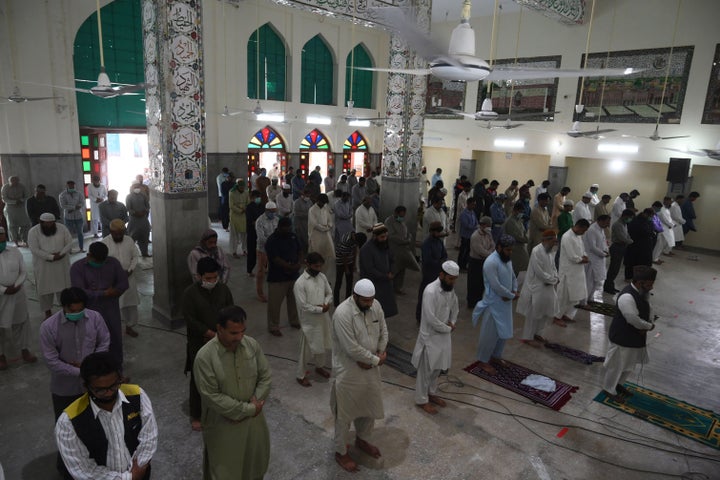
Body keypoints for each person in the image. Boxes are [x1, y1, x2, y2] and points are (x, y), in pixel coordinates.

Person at [39, 286, 110, 477]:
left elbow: (104, 342)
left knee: (95, 425)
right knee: (67, 430)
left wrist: (90, 365)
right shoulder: (49, 327)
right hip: (65, 388)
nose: (77, 314)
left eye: (80, 310)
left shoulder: (95, 318)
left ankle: (95, 462)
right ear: (63, 307)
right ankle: (67, 468)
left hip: (92, 386)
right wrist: (81, 371)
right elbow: (52, 361)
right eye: (73, 311)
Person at [194, 305, 271, 480]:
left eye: (242, 332)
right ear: (219, 329)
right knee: (225, 470)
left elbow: (265, 376)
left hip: (253, 424)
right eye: (233, 333)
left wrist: (255, 404)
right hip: (224, 425)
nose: (240, 337)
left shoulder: (251, 345)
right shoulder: (205, 357)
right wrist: (248, 410)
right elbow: (211, 396)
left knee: (254, 466)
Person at [55, 351, 157, 480]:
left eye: (114, 386)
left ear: (120, 378)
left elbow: (149, 437)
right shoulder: (69, 422)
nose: (109, 393)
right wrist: (129, 478)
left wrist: (140, 466)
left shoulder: (137, 395)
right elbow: (82, 469)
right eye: (100, 390)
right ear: (86, 387)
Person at [331, 279, 388, 472]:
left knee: (368, 407)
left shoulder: (375, 305)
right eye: (365, 301)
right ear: (354, 296)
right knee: (344, 415)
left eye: (371, 300)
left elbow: (383, 330)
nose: (370, 304)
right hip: (349, 372)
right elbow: (350, 347)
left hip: (371, 369)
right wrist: (374, 359)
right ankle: (341, 452)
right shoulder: (342, 313)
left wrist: (380, 352)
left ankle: (362, 440)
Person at [182, 257, 234, 431]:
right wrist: (208, 333)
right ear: (199, 276)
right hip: (199, 342)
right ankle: (196, 414)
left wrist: (222, 334)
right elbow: (190, 319)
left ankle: (222, 407)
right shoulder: (190, 293)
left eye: (214, 277)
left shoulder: (223, 290)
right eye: (208, 278)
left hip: (221, 341)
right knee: (199, 378)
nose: (212, 281)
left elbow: (230, 312)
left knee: (222, 375)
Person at [602, 266, 657, 403]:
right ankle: (609, 389)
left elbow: (649, 307)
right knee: (617, 365)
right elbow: (632, 318)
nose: (651, 288)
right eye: (649, 284)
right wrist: (649, 326)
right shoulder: (627, 296)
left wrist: (649, 322)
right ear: (640, 283)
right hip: (622, 336)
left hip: (635, 336)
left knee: (629, 364)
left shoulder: (642, 292)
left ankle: (619, 384)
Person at [70, 242, 129, 368]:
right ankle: (93, 367)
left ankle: (116, 366)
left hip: (111, 307)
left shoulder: (113, 263)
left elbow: (123, 283)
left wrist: (116, 291)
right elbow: (79, 292)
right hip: (89, 309)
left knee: (114, 337)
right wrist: (103, 293)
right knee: (91, 339)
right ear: (88, 255)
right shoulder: (77, 267)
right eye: (97, 261)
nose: (99, 264)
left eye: (103, 261)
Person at [412, 261, 459, 415]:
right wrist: (447, 328)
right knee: (425, 371)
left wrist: (452, 321)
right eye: (450, 279)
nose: (452, 282)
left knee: (437, 368)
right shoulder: (430, 291)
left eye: (454, 279)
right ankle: (421, 400)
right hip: (430, 337)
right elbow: (430, 318)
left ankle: (431, 393)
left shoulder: (450, 290)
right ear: (441, 275)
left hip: (444, 336)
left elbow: (455, 307)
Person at [471, 235, 519, 375]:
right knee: (489, 334)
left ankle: (496, 356)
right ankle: (483, 361)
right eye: (507, 250)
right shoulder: (491, 262)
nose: (510, 253)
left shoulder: (507, 259)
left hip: (506, 303)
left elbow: (513, 277)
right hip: (494, 303)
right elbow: (495, 285)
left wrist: (514, 290)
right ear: (498, 247)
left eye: (511, 250)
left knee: (502, 333)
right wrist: (510, 295)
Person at [0, 227, 38, 370]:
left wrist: (16, 285)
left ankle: (24, 350)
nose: (1, 242)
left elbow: (23, 271)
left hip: (17, 293)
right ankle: (1, 355)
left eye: (3, 239)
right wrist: (4, 290)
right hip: (1, 296)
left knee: (21, 322)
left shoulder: (14, 252)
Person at [294, 252, 333, 387]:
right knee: (306, 350)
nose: (319, 269)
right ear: (307, 264)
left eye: (320, 266)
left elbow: (329, 293)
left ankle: (319, 366)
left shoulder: (322, 277)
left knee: (321, 344)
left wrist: (326, 303)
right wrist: (320, 309)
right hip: (308, 323)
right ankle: (300, 375)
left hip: (322, 319)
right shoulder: (300, 283)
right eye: (316, 266)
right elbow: (303, 306)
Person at [517, 230, 558, 347]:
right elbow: (539, 272)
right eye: (553, 241)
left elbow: (553, 267)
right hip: (536, 286)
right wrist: (552, 280)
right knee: (533, 313)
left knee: (544, 311)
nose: (554, 244)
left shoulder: (549, 251)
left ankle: (537, 333)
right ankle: (527, 337)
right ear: (546, 240)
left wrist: (556, 277)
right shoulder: (537, 251)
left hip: (548, 286)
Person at [28, 213, 73, 318]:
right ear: (41, 222)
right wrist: (50, 257)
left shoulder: (62, 228)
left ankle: (66, 310)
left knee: (64, 289)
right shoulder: (33, 232)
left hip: (61, 264)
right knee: (45, 291)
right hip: (44, 266)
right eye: (46, 224)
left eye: (51, 223)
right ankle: (47, 313)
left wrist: (61, 254)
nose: (49, 226)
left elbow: (69, 242)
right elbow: (34, 249)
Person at [102, 220, 141, 338]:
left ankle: (129, 327)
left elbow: (135, 256)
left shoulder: (129, 240)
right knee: (115, 306)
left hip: (129, 277)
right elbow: (103, 262)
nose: (119, 236)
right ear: (111, 231)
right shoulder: (105, 242)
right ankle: (114, 330)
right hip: (113, 281)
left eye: (121, 233)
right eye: (116, 233)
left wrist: (130, 270)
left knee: (131, 304)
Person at [265, 217, 303, 336]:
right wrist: (289, 266)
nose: (288, 229)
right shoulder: (272, 240)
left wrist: (299, 263)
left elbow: (300, 250)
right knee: (274, 304)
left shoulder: (293, 236)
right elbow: (275, 258)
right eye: (285, 227)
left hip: (293, 276)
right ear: (280, 227)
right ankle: (273, 326)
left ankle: (294, 321)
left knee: (294, 301)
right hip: (278, 277)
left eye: (289, 227)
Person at [553, 219, 590, 327]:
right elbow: (571, 256)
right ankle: (556, 316)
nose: (584, 233)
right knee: (563, 295)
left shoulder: (578, 236)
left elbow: (582, 249)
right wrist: (582, 260)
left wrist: (585, 255)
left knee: (572, 295)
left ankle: (564, 314)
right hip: (567, 271)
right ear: (579, 227)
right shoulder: (567, 236)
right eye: (584, 230)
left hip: (577, 270)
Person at [359, 223, 398, 318]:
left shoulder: (385, 245)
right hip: (373, 285)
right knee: (372, 313)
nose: (384, 239)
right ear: (375, 236)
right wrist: (385, 276)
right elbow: (369, 269)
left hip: (386, 284)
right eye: (382, 237)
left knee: (382, 314)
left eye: (386, 236)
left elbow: (392, 259)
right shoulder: (366, 249)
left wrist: (392, 271)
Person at [416, 221, 448, 321]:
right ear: (432, 231)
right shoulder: (426, 243)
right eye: (437, 231)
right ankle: (420, 317)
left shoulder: (439, 241)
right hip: (428, 274)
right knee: (425, 296)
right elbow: (428, 260)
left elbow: (444, 254)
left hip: (438, 274)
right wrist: (439, 263)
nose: (439, 234)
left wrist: (442, 262)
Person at [385, 205, 419, 294]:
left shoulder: (402, 222)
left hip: (403, 250)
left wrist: (409, 238)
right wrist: (404, 241)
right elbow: (391, 236)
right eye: (401, 215)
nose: (402, 217)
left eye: (403, 216)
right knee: (393, 270)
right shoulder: (389, 222)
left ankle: (398, 288)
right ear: (396, 213)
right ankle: (389, 289)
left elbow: (406, 233)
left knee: (402, 270)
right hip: (394, 250)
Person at [604, 209, 635, 294]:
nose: (630, 219)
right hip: (617, 247)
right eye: (630, 217)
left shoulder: (624, 224)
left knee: (616, 269)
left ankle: (611, 285)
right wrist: (631, 241)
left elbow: (627, 235)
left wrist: (629, 240)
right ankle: (607, 286)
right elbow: (622, 238)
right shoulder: (618, 224)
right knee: (613, 268)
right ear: (625, 216)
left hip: (622, 247)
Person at [582, 215, 610, 304]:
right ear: (600, 221)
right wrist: (603, 254)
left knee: (596, 280)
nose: (608, 225)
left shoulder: (601, 229)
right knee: (589, 281)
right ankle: (583, 301)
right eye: (606, 223)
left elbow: (604, 242)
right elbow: (592, 247)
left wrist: (606, 250)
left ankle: (590, 298)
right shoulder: (592, 230)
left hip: (599, 259)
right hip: (592, 259)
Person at [467, 216, 494, 309]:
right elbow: (479, 250)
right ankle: (471, 302)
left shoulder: (488, 234)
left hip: (484, 261)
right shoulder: (475, 236)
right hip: (475, 262)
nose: (489, 227)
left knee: (482, 283)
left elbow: (492, 245)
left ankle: (479, 300)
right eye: (488, 225)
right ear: (483, 225)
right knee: (474, 283)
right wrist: (490, 254)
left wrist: (489, 253)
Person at [255, 201, 279, 302]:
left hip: (274, 248)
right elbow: (261, 238)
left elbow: (279, 233)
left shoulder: (277, 219)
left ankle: (274, 291)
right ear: (266, 211)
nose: (272, 213)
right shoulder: (260, 221)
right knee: (261, 271)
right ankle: (260, 293)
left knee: (274, 270)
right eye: (271, 211)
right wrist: (273, 242)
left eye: (274, 211)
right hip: (262, 249)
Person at [308, 194, 335, 275]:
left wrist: (328, 226)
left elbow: (330, 220)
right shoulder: (312, 210)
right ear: (318, 201)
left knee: (326, 256)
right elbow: (314, 224)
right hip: (316, 235)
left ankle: (324, 275)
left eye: (324, 203)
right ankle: (314, 274)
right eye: (322, 203)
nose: (323, 204)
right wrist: (325, 228)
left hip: (326, 235)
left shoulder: (325, 208)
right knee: (316, 255)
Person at [624, 208, 654, 281]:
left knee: (643, 262)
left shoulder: (647, 221)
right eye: (650, 216)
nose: (651, 218)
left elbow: (650, 230)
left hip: (644, 245)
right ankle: (630, 277)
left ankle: (640, 278)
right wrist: (650, 233)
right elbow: (644, 232)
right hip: (636, 245)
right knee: (633, 262)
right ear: (646, 214)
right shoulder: (636, 221)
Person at [1, 176, 31, 247]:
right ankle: (15, 241)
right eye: (12, 181)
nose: (14, 183)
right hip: (10, 208)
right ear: (9, 181)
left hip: (21, 208)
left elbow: (27, 196)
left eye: (16, 181)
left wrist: (21, 200)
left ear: (18, 181)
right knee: (12, 226)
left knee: (25, 224)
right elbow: (4, 199)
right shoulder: (5, 187)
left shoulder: (22, 186)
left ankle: (25, 240)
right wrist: (14, 202)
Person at [502, 202, 529, 277]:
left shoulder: (518, 220)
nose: (521, 214)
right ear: (515, 210)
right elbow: (515, 236)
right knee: (516, 269)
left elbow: (523, 231)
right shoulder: (510, 221)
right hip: (514, 249)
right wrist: (526, 239)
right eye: (520, 212)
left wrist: (526, 237)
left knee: (524, 267)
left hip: (521, 247)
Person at [59, 180, 86, 252]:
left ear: (75, 186)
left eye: (73, 186)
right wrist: (74, 207)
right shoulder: (62, 195)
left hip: (78, 216)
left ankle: (81, 248)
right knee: (68, 234)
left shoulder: (79, 194)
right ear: (67, 186)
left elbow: (82, 203)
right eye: (70, 186)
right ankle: (69, 249)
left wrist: (74, 208)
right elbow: (63, 205)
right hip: (68, 217)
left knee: (80, 233)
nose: (72, 187)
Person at [126, 184, 151, 257]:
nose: (137, 189)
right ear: (132, 188)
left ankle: (144, 253)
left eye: (138, 187)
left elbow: (148, 206)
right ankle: (129, 254)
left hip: (143, 220)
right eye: (135, 187)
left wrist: (144, 212)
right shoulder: (129, 196)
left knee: (144, 237)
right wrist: (135, 213)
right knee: (132, 237)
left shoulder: (143, 196)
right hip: (134, 220)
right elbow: (128, 208)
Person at [334, 231, 357, 306]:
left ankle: (348, 302)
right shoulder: (346, 240)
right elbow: (344, 256)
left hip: (349, 260)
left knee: (350, 282)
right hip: (340, 261)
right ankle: (336, 303)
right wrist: (346, 269)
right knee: (339, 281)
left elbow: (355, 252)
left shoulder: (355, 239)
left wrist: (353, 264)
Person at [229, 179, 249, 258]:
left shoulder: (246, 193)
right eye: (240, 187)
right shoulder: (232, 193)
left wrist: (246, 209)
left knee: (244, 234)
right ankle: (234, 252)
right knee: (234, 235)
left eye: (243, 187)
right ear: (237, 187)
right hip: (235, 216)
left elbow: (248, 202)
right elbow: (231, 205)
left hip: (244, 216)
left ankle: (245, 250)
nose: (242, 189)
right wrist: (240, 210)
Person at [245, 190, 264, 277]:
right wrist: (258, 222)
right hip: (252, 232)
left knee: (263, 251)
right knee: (252, 251)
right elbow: (250, 221)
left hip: (262, 231)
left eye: (259, 197)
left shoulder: (262, 206)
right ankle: (250, 270)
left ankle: (263, 268)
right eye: (257, 197)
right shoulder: (249, 207)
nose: (258, 199)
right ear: (252, 198)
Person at [457, 197, 478, 271]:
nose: (474, 206)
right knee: (463, 251)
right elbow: (466, 225)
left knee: (468, 251)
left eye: (474, 205)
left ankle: (465, 265)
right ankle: (460, 265)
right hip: (465, 235)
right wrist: (475, 227)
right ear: (468, 204)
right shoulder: (464, 213)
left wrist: (476, 226)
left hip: (471, 236)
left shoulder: (473, 212)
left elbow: (476, 221)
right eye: (472, 204)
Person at [292, 189, 312, 254]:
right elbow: (296, 213)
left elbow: (312, 211)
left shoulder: (310, 201)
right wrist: (308, 214)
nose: (308, 198)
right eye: (307, 196)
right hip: (299, 224)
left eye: (309, 196)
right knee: (299, 240)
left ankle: (306, 254)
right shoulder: (297, 202)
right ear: (303, 195)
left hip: (307, 224)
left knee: (307, 240)